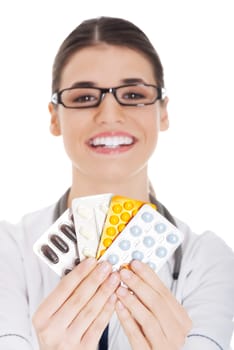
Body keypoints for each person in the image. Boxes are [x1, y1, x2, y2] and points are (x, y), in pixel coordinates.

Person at [0, 16, 234, 350]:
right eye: (83, 97)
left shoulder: (207, 260)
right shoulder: (8, 252)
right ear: (54, 117)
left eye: (133, 94)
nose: (109, 114)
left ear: (163, 112)